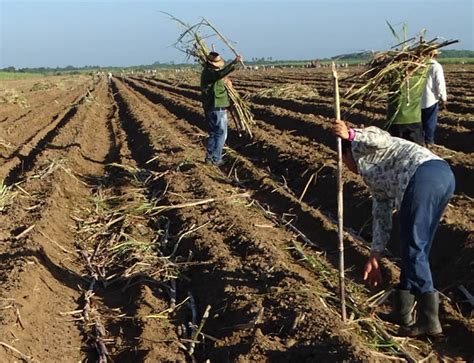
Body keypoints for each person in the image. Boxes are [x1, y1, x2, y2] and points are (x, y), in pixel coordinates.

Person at [332, 120, 455, 337]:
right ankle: (403, 310)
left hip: (422, 175)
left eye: (343, 160)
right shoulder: (370, 175)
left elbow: (382, 138)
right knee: (417, 245)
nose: (346, 168)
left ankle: (429, 320)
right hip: (440, 177)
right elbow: (382, 213)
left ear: (346, 154)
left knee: (413, 246)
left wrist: (351, 134)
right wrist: (375, 255)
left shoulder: (364, 141)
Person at [201, 52, 243, 166]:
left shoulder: (210, 72)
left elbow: (220, 78)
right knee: (221, 133)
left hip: (214, 106)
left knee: (214, 133)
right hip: (216, 106)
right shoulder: (209, 73)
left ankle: (210, 158)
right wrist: (234, 63)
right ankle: (216, 158)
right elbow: (220, 74)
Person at [386, 68, 428, 145]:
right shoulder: (421, 74)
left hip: (395, 118)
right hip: (413, 119)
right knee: (416, 150)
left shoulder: (393, 74)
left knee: (397, 150)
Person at [422, 51, 447, 145]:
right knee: (430, 121)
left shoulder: (418, 65)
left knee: (420, 122)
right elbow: (440, 83)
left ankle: (421, 141)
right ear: (434, 55)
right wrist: (443, 97)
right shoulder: (435, 66)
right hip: (430, 98)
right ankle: (429, 141)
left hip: (417, 100)